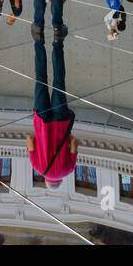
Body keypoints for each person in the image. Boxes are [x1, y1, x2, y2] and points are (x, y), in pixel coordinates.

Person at [26, 33, 77, 188]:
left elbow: (74, 142)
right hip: (42, 120)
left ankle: (57, 41)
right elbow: (29, 140)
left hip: (61, 121)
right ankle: (39, 41)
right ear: (47, 181)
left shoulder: (68, 170)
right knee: (40, 78)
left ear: (59, 181)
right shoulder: (38, 168)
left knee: (59, 81)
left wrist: (64, 137)